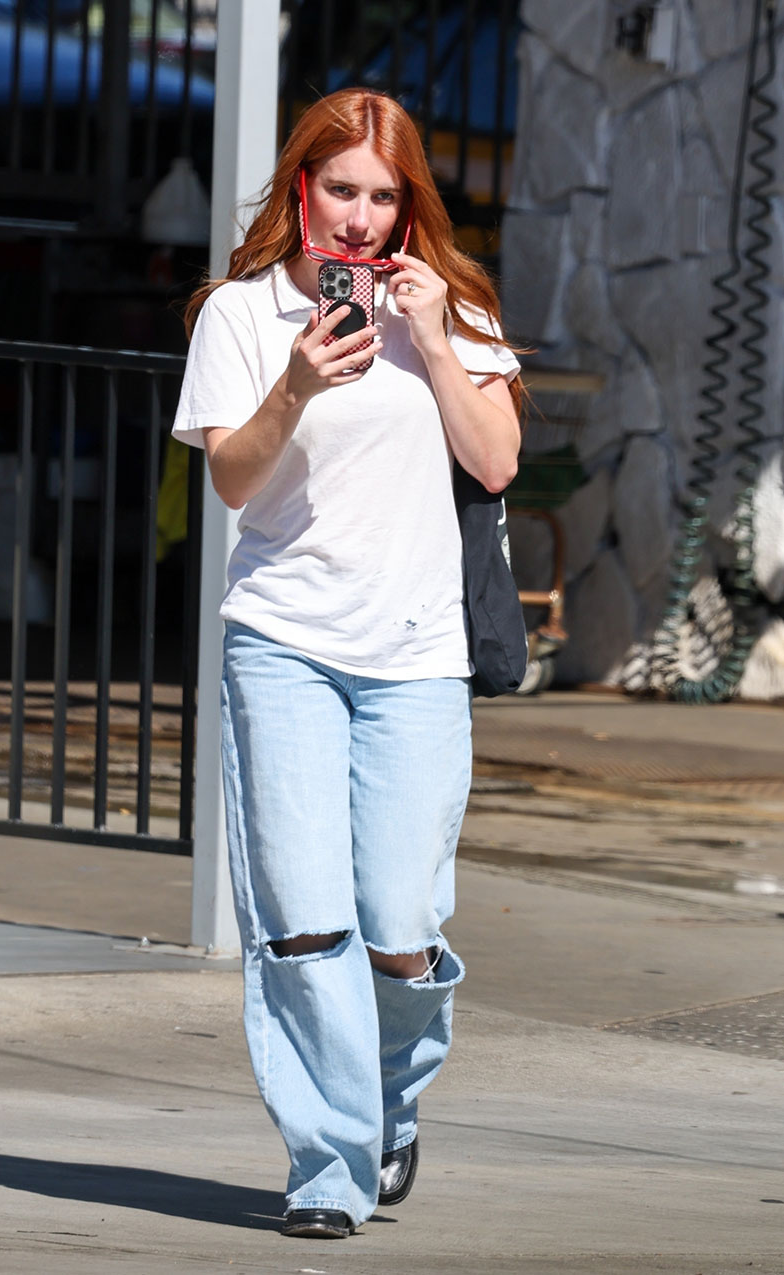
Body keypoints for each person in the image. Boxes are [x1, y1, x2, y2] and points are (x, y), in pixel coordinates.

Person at [172, 87, 523, 1239]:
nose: (363, 217)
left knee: (398, 920)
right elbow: (231, 483)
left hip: (417, 656)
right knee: (304, 918)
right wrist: (297, 383)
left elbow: (497, 461)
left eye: (384, 194)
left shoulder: (455, 304)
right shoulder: (242, 313)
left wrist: (431, 336)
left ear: (409, 201)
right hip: (283, 644)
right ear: (300, 188)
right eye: (342, 191)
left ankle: (387, 1102)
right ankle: (328, 1163)